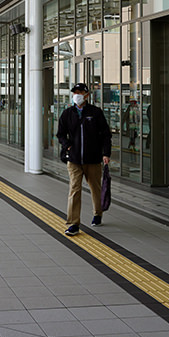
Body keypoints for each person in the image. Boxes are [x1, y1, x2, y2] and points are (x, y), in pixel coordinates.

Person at [56, 82, 111, 235]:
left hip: (93, 159)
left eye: (80, 92)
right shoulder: (67, 113)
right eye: (75, 92)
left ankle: (98, 213)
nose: (77, 95)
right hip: (74, 159)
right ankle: (73, 223)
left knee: (95, 188)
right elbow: (60, 134)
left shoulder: (95, 113)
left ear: (86, 95)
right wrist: (67, 145)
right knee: (74, 190)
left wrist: (106, 153)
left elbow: (106, 134)